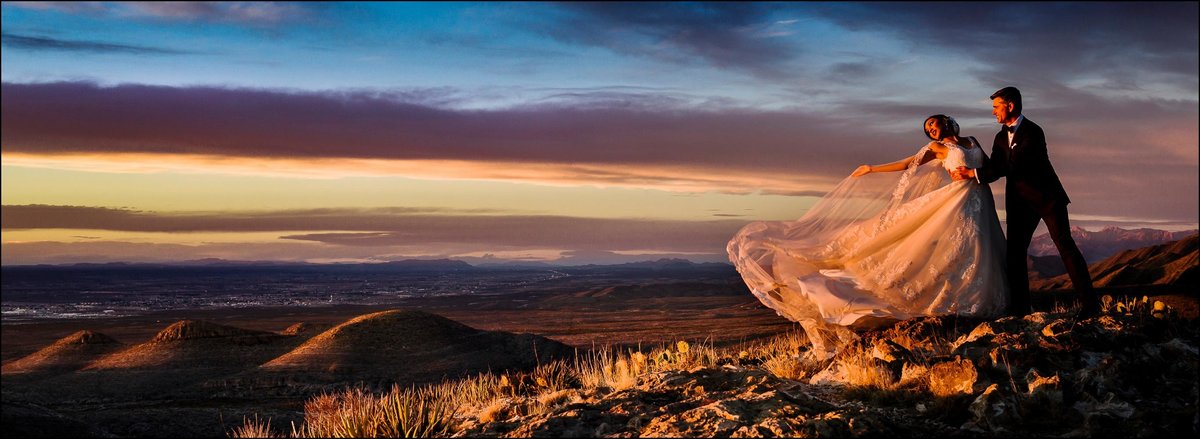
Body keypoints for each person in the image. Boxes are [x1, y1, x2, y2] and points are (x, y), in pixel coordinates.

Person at [727, 114, 1008, 356]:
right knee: (960, 243)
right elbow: (908, 163)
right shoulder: (937, 148)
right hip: (955, 199)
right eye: (928, 129)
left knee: (979, 246)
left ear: (948, 122)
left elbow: (987, 167)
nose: (932, 130)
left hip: (980, 197)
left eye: (934, 124)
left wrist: (975, 173)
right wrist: (872, 168)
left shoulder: (972, 141)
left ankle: (976, 299)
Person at [951, 86, 1097, 318]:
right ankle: (1020, 311)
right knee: (1015, 254)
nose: (993, 113)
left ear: (1010, 106)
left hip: (1048, 199)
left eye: (996, 107)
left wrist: (973, 174)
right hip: (1019, 203)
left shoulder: (1034, 131)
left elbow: (1013, 165)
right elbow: (996, 166)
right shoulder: (1000, 137)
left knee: (1065, 247)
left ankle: (1091, 306)